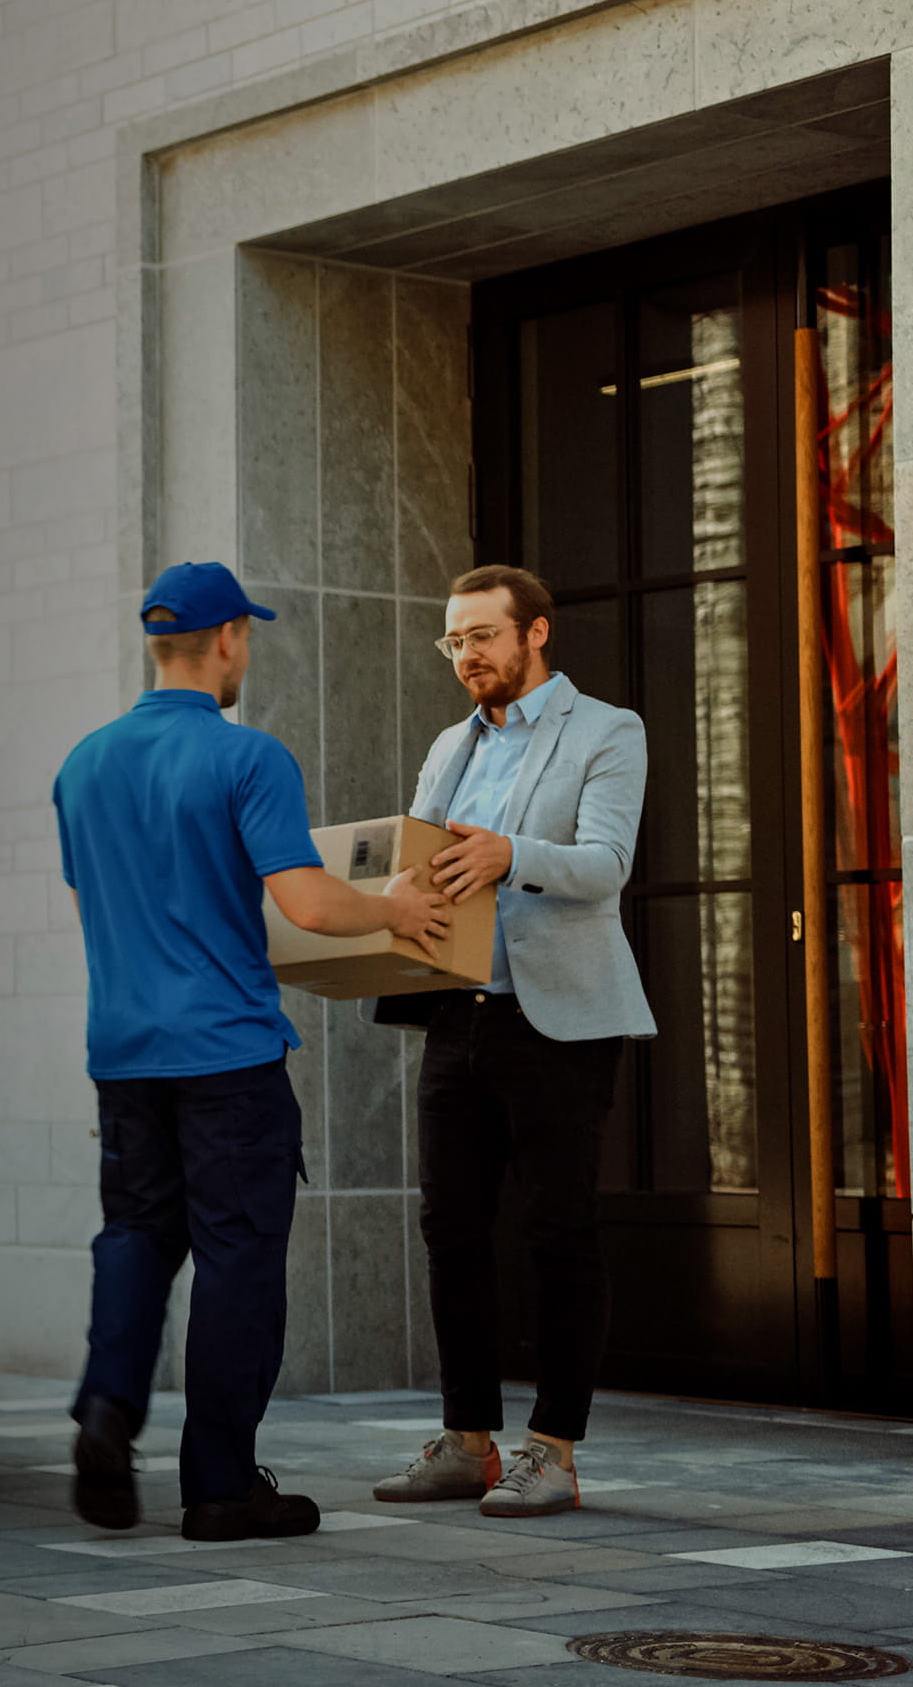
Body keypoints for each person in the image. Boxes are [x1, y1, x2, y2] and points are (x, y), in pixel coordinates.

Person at [56, 563, 449, 1541]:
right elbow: (309, 901)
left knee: (137, 1235)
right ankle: (221, 1483)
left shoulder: (83, 763)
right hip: (226, 1054)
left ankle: (106, 1410)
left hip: (124, 1053)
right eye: (248, 636)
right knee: (237, 1258)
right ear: (229, 637)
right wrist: (395, 906)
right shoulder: (247, 757)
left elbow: (117, 898)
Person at [371, 566, 651, 1519]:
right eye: (455, 641)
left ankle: (555, 1451)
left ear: (537, 632)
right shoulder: (451, 745)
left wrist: (509, 856)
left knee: (559, 1230)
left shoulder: (607, 729)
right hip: (459, 1013)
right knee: (451, 1231)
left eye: (484, 635)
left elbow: (609, 864)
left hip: (560, 1019)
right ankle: (469, 1441)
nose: (468, 655)